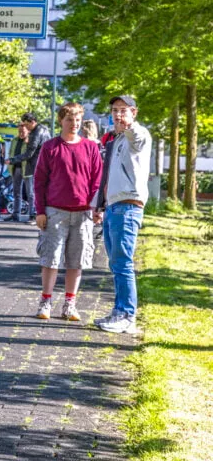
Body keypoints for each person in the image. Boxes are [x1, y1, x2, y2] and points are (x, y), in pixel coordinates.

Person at [33, 102, 103, 322]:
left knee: (77, 261)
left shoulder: (90, 148)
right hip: (55, 212)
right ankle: (46, 301)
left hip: (83, 213)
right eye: (69, 120)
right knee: (50, 259)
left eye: (78, 120)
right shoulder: (50, 147)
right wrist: (40, 211)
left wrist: (96, 207)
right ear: (61, 121)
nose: (74, 124)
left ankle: (70, 304)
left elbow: (96, 181)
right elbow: (39, 180)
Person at [94, 96, 151, 334]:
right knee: (116, 263)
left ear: (134, 112)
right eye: (115, 110)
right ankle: (120, 311)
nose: (118, 115)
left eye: (124, 111)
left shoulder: (137, 135)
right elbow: (107, 175)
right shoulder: (116, 140)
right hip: (113, 206)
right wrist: (100, 205)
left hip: (128, 206)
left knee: (123, 262)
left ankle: (127, 315)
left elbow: (136, 138)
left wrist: (129, 125)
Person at [7, 112, 50, 221]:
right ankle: (20, 214)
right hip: (24, 166)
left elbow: (29, 153)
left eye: (26, 125)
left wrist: (12, 160)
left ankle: (33, 214)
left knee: (32, 192)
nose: (24, 128)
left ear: (32, 122)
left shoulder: (35, 133)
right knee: (20, 192)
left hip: (30, 166)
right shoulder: (42, 130)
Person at [5, 123, 32, 222]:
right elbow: (11, 152)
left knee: (30, 193)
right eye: (19, 131)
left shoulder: (30, 141)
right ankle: (16, 214)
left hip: (27, 169)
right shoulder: (15, 140)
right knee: (16, 192)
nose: (21, 133)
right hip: (16, 168)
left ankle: (31, 214)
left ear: (28, 131)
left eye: (23, 131)